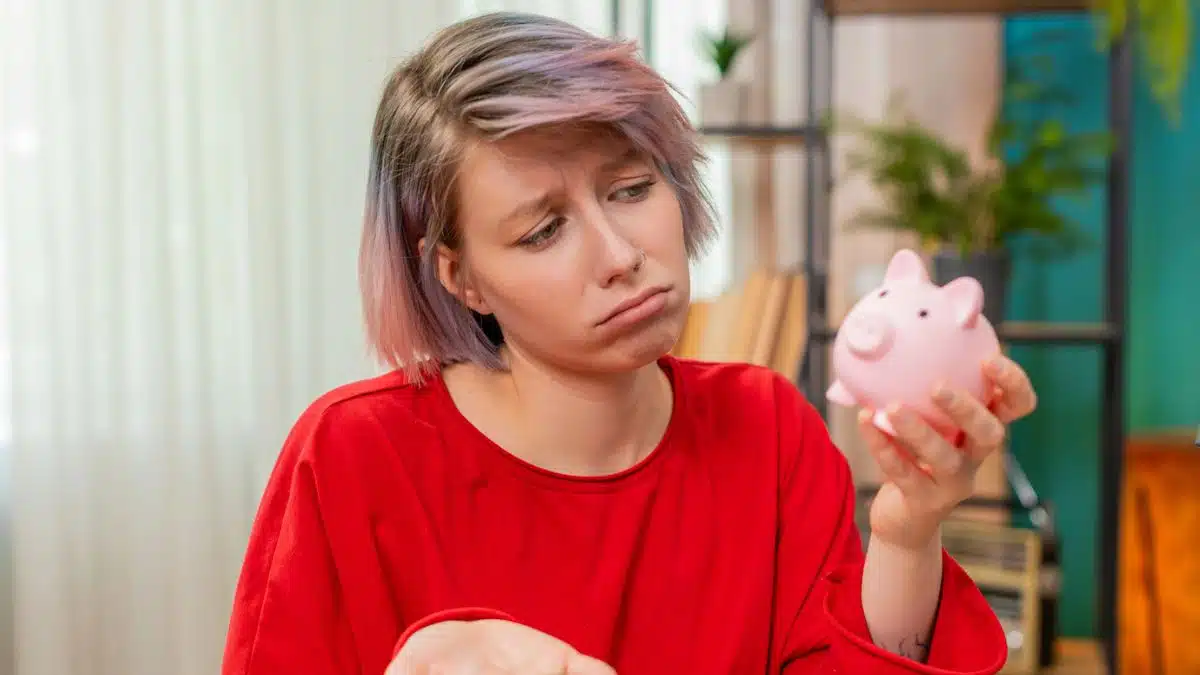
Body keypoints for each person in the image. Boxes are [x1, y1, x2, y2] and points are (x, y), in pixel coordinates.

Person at [220, 11, 1038, 675]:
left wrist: (906, 531)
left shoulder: (767, 429)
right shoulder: (351, 458)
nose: (620, 255)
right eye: (543, 231)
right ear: (459, 276)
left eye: (633, 188)